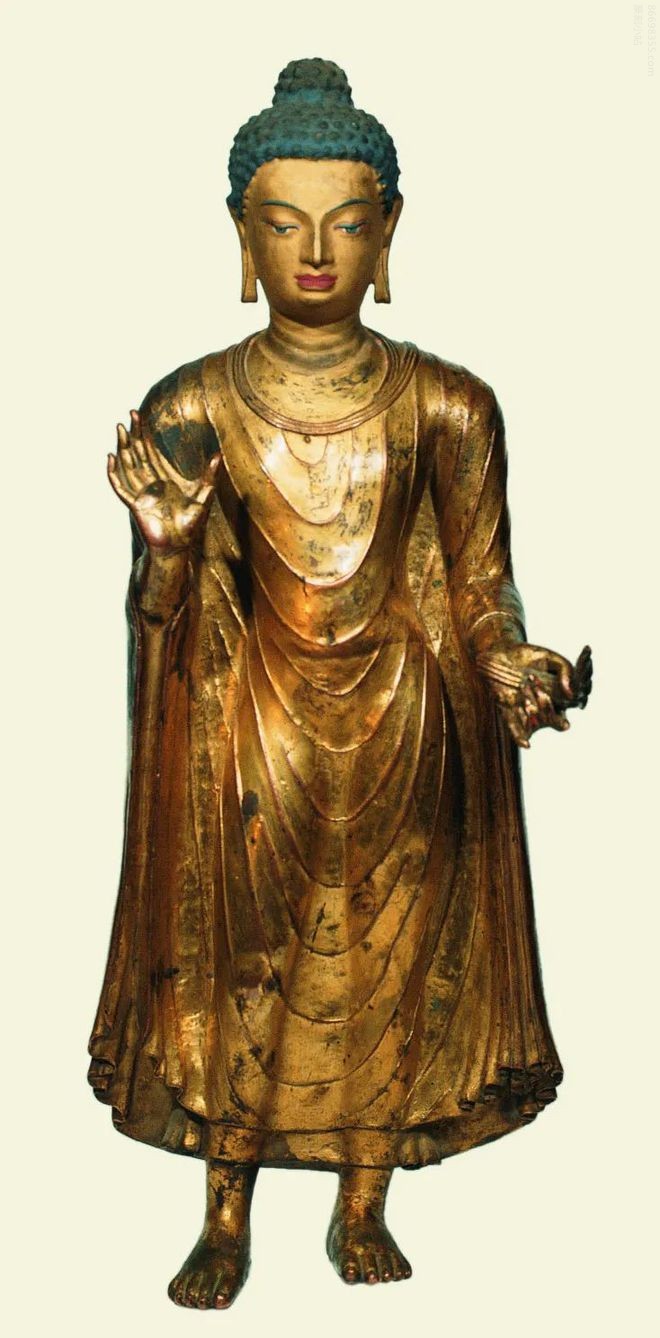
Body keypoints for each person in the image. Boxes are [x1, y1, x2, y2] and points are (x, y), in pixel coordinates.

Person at [88, 57, 592, 1309]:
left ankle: (365, 1196)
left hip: (406, 730)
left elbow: (481, 584)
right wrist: (164, 552)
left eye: (347, 223)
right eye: (284, 223)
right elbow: (158, 627)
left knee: (386, 971)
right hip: (250, 733)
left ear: (390, 229)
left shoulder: (451, 406)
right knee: (242, 966)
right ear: (240, 234)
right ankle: (225, 1209)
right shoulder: (192, 404)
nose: (316, 253)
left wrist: (512, 661)